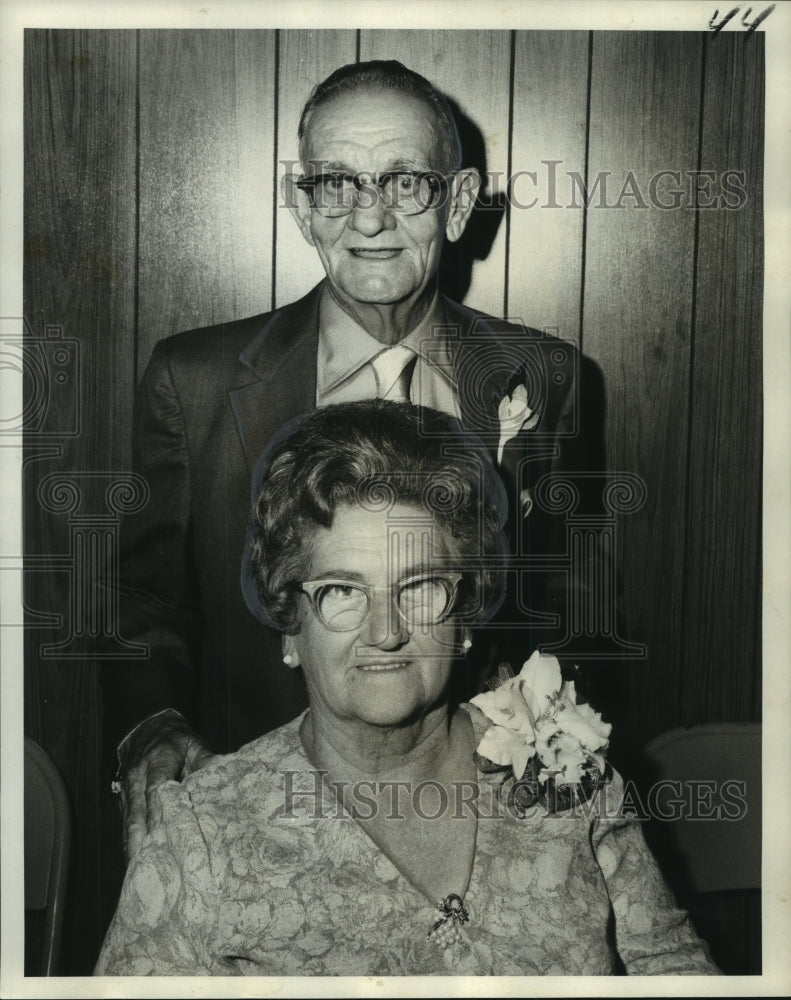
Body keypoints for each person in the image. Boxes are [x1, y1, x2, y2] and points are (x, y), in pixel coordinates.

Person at [105, 59, 605, 860]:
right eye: (335, 183)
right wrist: (154, 728)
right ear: (302, 208)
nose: (368, 218)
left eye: (404, 180)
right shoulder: (191, 380)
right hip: (255, 819)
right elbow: (140, 599)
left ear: (459, 202)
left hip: (470, 819)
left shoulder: (543, 377)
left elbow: (569, 597)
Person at [94, 402, 715, 977]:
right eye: (341, 590)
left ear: (465, 617)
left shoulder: (569, 772)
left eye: (418, 586)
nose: (386, 632)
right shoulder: (200, 830)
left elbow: (675, 971)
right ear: (291, 628)